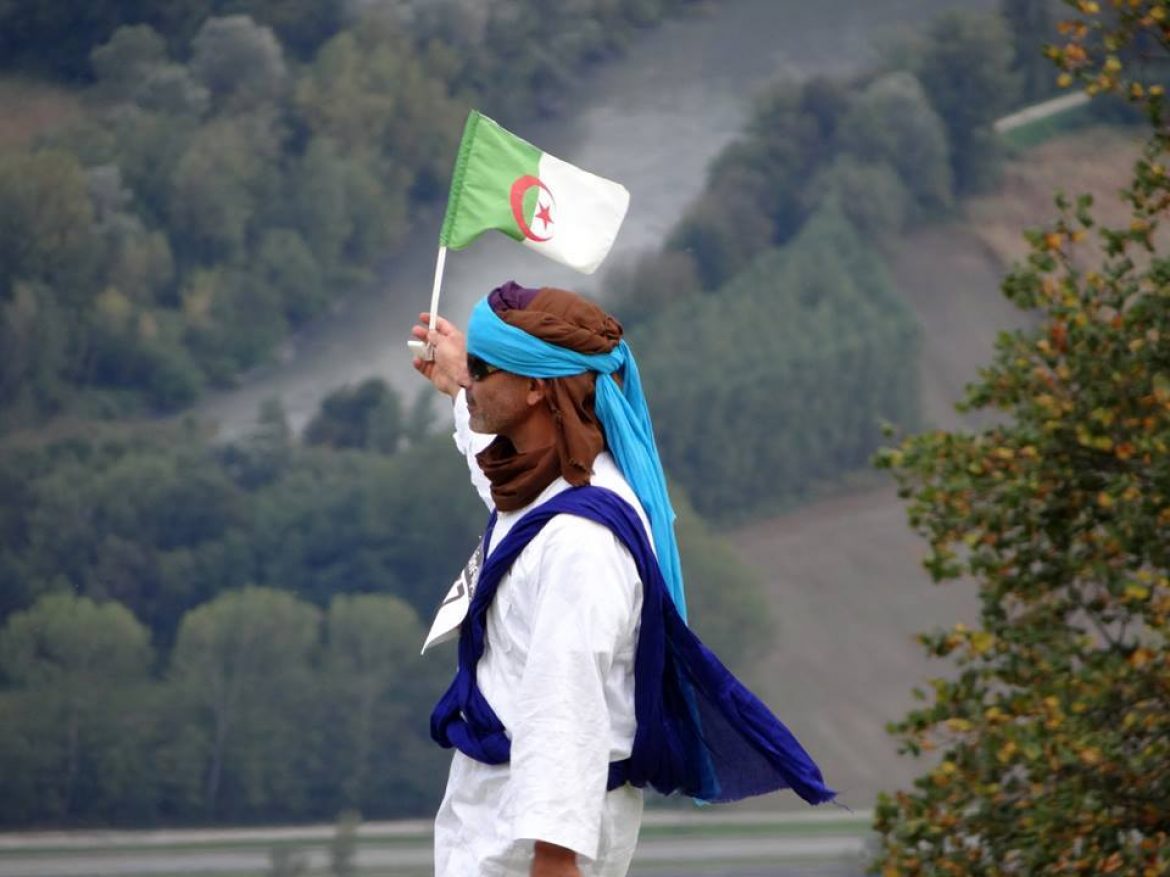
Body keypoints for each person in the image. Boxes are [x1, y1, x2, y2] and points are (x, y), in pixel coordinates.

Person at [412, 282, 834, 877]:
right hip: (499, 813)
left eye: (482, 370)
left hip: (530, 837)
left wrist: (555, 858)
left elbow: (568, 702)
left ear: (536, 388)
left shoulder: (581, 542)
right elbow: (508, 496)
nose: (471, 381)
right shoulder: (551, 486)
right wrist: (464, 386)